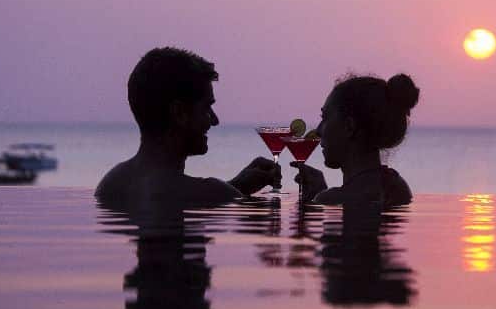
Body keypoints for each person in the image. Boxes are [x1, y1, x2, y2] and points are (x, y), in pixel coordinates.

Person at [95, 47, 280, 206]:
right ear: (180, 113)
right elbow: (191, 194)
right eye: (207, 107)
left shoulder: (110, 184)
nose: (215, 120)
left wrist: (237, 186)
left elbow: (169, 194)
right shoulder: (211, 193)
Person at [293, 73, 419, 206]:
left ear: (349, 127)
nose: (318, 131)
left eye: (325, 118)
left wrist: (314, 199)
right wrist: (321, 191)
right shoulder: (398, 186)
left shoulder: (334, 198)